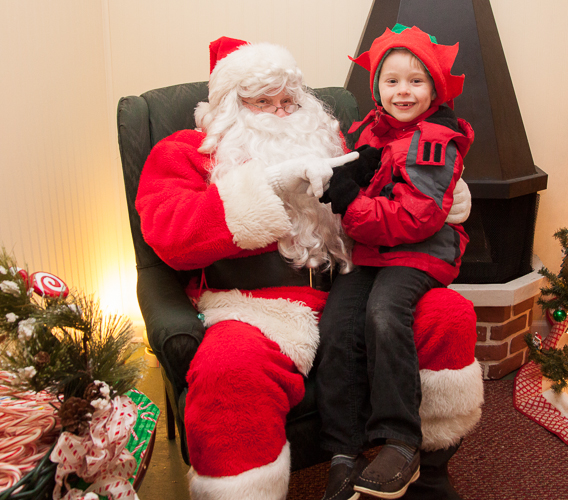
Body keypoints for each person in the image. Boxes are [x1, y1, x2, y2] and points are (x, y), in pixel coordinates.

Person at [136, 36, 481, 500]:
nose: (281, 113)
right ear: (228, 107)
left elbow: (397, 182)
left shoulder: (331, 137)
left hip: (349, 282)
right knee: (229, 371)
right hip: (256, 308)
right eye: (262, 102)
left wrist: (448, 197)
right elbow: (170, 235)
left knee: (447, 314)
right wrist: (269, 186)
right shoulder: (187, 152)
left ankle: (427, 472)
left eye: (288, 100)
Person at [316, 25, 477, 500]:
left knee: (385, 313)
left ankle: (401, 442)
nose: (402, 91)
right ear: (378, 88)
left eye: (415, 81)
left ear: (433, 90)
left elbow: (416, 217)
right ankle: (344, 452)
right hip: (372, 252)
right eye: (392, 81)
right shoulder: (368, 130)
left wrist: (350, 204)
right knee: (338, 325)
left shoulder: (435, 141)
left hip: (421, 252)